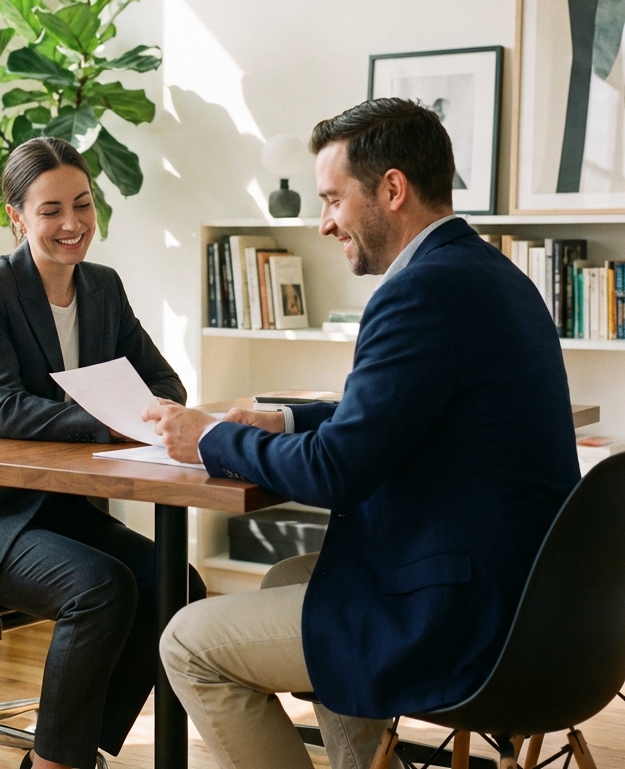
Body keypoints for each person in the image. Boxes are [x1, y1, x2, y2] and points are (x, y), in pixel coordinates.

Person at [142, 98, 580, 769]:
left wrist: (207, 438)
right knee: (291, 577)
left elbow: (336, 471)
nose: (324, 223)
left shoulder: (418, 294)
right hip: (541, 604)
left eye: (332, 199)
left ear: (392, 189)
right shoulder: (493, 276)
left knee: (187, 644)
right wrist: (285, 420)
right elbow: (403, 413)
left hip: (465, 618)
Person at [0, 136, 206, 769]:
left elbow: (164, 383)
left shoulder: (102, 287)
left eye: (83, 204)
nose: (73, 223)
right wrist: (113, 425)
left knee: (177, 583)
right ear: (17, 216)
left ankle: (77, 750)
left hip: (57, 508)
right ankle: (55, 763)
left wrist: (149, 412)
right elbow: (3, 408)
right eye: (51, 210)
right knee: (101, 588)